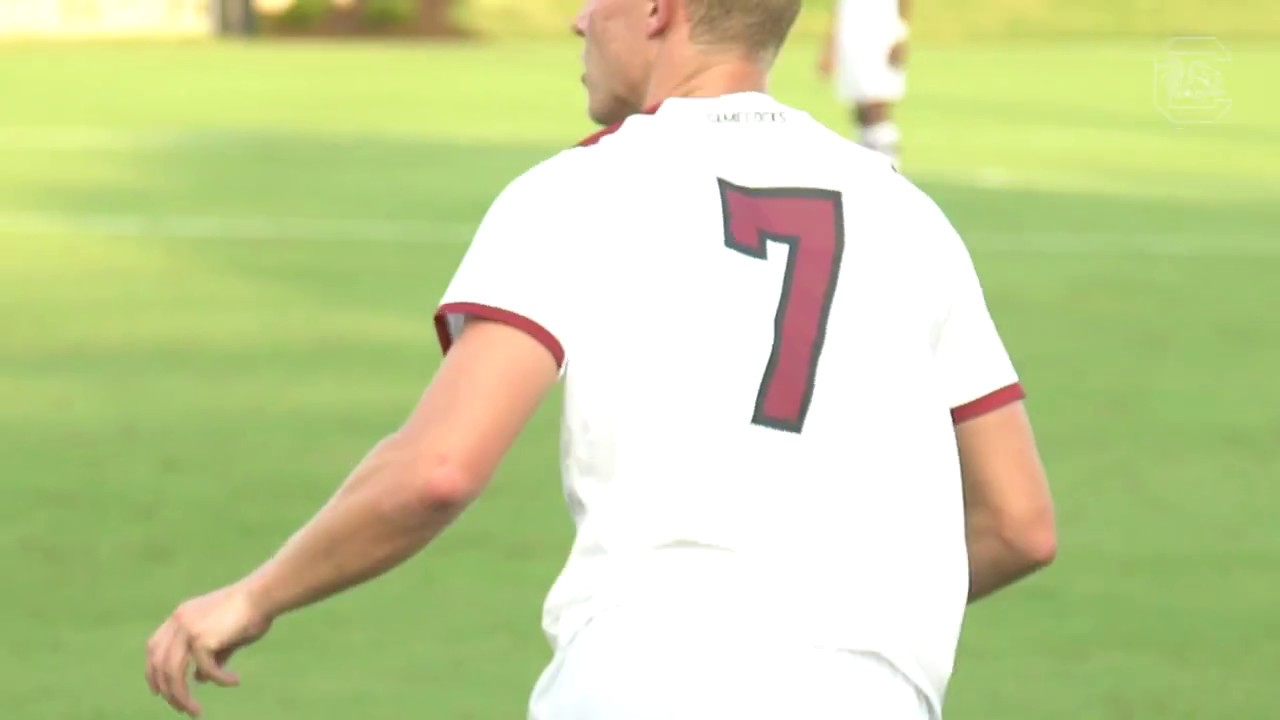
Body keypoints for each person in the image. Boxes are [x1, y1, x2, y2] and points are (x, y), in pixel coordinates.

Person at [143, 1, 1057, 719]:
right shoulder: (908, 215)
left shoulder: (583, 187)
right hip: (875, 693)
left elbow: (438, 469)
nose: (579, 19)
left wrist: (254, 596)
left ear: (658, 10)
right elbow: (1020, 525)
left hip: (647, 679)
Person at [819, 0, 911, 167]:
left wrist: (901, 34)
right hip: (850, 33)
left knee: (876, 106)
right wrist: (830, 46)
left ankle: (891, 169)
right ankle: (865, 168)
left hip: (880, 32)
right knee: (859, 110)